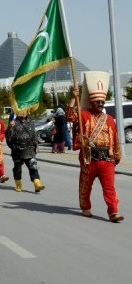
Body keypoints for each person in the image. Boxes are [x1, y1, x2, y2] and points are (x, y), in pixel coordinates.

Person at [66, 73, 123, 222]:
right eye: (97, 101)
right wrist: (73, 97)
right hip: (88, 158)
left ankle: (113, 212)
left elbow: (115, 140)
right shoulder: (83, 114)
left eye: (102, 102)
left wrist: (116, 157)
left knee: (109, 188)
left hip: (106, 159)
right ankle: (85, 207)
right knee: (85, 186)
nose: (100, 104)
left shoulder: (109, 119)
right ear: (91, 102)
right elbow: (69, 117)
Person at [5, 112, 44, 193]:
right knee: (17, 168)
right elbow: (8, 138)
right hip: (17, 150)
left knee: (33, 166)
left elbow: (34, 135)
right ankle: (18, 184)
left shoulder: (31, 122)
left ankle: (37, 184)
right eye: (21, 111)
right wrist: (9, 127)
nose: (23, 113)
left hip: (29, 149)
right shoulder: (13, 122)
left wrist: (36, 145)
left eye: (25, 111)